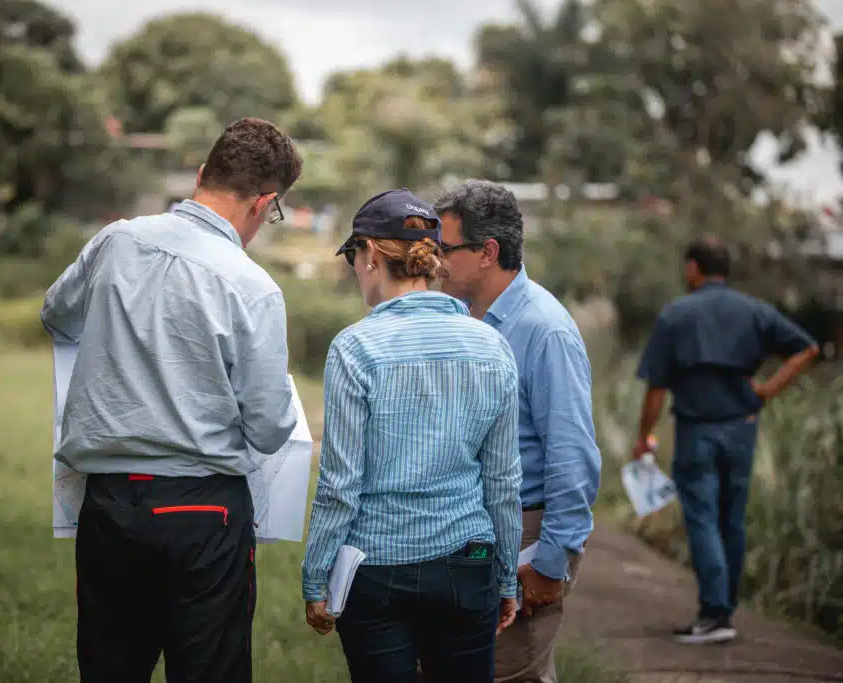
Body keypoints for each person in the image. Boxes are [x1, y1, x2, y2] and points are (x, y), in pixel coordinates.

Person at [40, 117, 303, 683]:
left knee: (111, 669)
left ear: (204, 173)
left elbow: (56, 313)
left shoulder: (115, 240)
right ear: (265, 203)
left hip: (108, 501)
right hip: (201, 506)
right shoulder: (253, 285)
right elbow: (269, 429)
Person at [301, 188, 524, 683]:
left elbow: (341, 485)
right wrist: (507, 575)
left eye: (354, 258)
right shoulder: (493, 346)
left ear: (372, 255)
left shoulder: (355, 348)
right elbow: (504, 481)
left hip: (377, 570)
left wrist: (316, 577)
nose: (356, 271)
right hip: (470, 563)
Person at [433, 179, 602, 683]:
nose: (435, 260)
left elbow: (572, 455)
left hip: (526, 531)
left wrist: (552, 562)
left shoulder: (544, 328)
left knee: (513, 672)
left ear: (488, 252)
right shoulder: (462, 318)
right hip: (469, 528)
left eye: (446, 249)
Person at [633, 236, 819, 645]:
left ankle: (715, 614)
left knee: (702, 519)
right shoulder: (754, 311)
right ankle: (725, 611)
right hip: (742, 428)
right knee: (731, 520)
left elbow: (656, 390)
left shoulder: (677, 315)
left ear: (693, 268)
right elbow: (807, 349)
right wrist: (767, 390)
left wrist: (643, 437)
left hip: (698, 430)